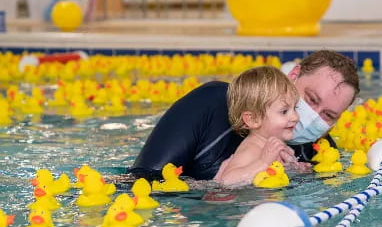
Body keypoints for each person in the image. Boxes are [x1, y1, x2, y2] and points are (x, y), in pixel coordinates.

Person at [128, 50, 360, 180]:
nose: (308, 117)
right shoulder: (211, 104)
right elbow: (140, 181)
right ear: (293, 75)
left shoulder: (322, 154)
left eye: (328, 115)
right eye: (311, 99)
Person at [213, 66, 301, 186]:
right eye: (284, 111)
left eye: (295, 108)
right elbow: (227, 181)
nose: (296, 117)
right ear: (253, 119)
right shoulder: (251, 149)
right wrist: (263, 162)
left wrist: (296, 168)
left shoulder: (273, 145)